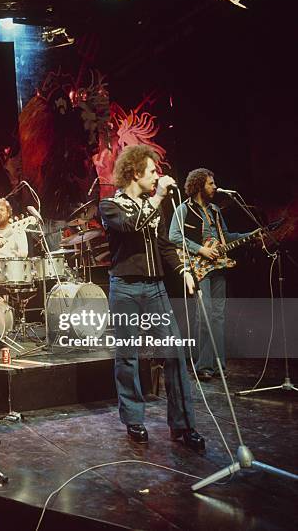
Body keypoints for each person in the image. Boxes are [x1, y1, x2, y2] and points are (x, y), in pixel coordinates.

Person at [99, 145, 205, 451]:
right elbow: (131, 228)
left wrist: (183, 269)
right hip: (125, 289)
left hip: (156, 288)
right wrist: (158, 197)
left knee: (174, 352)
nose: (157, 176)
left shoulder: (153, 204)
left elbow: (164, 244)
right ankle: (134, 418)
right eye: (152, 171)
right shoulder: (110, 206)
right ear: (135, 173)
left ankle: (183, 425)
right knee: (128, 356)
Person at [169, 168, 248, 381]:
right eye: (210, 184)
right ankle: (203, 365)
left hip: (219, 267)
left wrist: (250, 235)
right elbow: (174, 236)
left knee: (218, 316)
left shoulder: (215, 210)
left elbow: (226, 237)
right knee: (204, 315)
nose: (214, 187)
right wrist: (201, 249)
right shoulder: (184, 209)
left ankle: (218, 364)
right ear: (198, 186)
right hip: (199, 267)